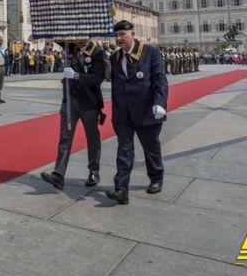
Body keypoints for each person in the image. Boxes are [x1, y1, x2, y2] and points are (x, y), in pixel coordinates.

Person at [105, 20, 168, 205]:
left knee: (151, 148)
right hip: (123, 113)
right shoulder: (115, 57)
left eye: (123, 35)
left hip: (146, 111)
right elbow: (117, 84)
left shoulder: (150, 52)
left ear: (132, 34)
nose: (119, 38)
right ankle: (121, 188)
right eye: (116, 35)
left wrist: (160, 103)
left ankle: (156, 178)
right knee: (124, 151)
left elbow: (160, 79)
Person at [41, 40, 106, 190]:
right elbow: (57, 35)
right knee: (65, 138)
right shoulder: (71, 47)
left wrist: (77, 75)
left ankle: (94, 171)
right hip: (70, 101)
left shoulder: (97, 52)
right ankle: (58, 174)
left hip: (89, 102)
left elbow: (97, 78)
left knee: (92, 138)